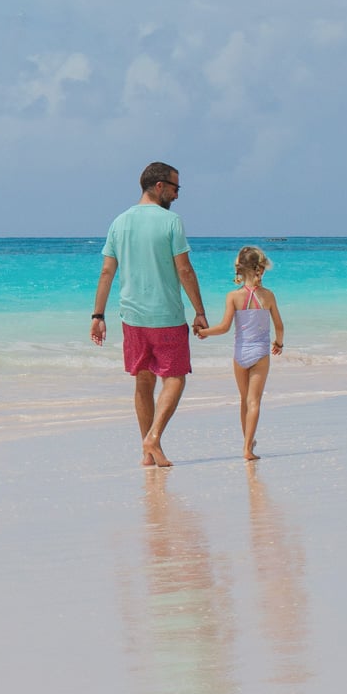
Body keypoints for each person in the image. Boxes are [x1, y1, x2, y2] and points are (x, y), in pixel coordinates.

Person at [91, 162, 207, 469]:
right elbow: (184, 268)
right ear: (159, 186)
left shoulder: (119, 222)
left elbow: (107, 270)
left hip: (132, 318)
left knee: (143, 381)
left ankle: (147, 451)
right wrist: (199, 310)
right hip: (166, 315)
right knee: (176, 378)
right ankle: (153, 437)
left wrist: (98, 314)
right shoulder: (171, 221)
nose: (177, 194)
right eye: (175, 187)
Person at [197, 245, 284, 462]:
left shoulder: (233, 296)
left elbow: (225, 327)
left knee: (244, 400)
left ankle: (247, 441)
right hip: (261, 354)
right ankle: (247, 448)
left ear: (239, 269)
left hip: (240, 354)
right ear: (260, 269)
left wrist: (204, 332)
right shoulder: (268, 296)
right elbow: (280, 326)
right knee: (254, 402)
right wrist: (279, 343)